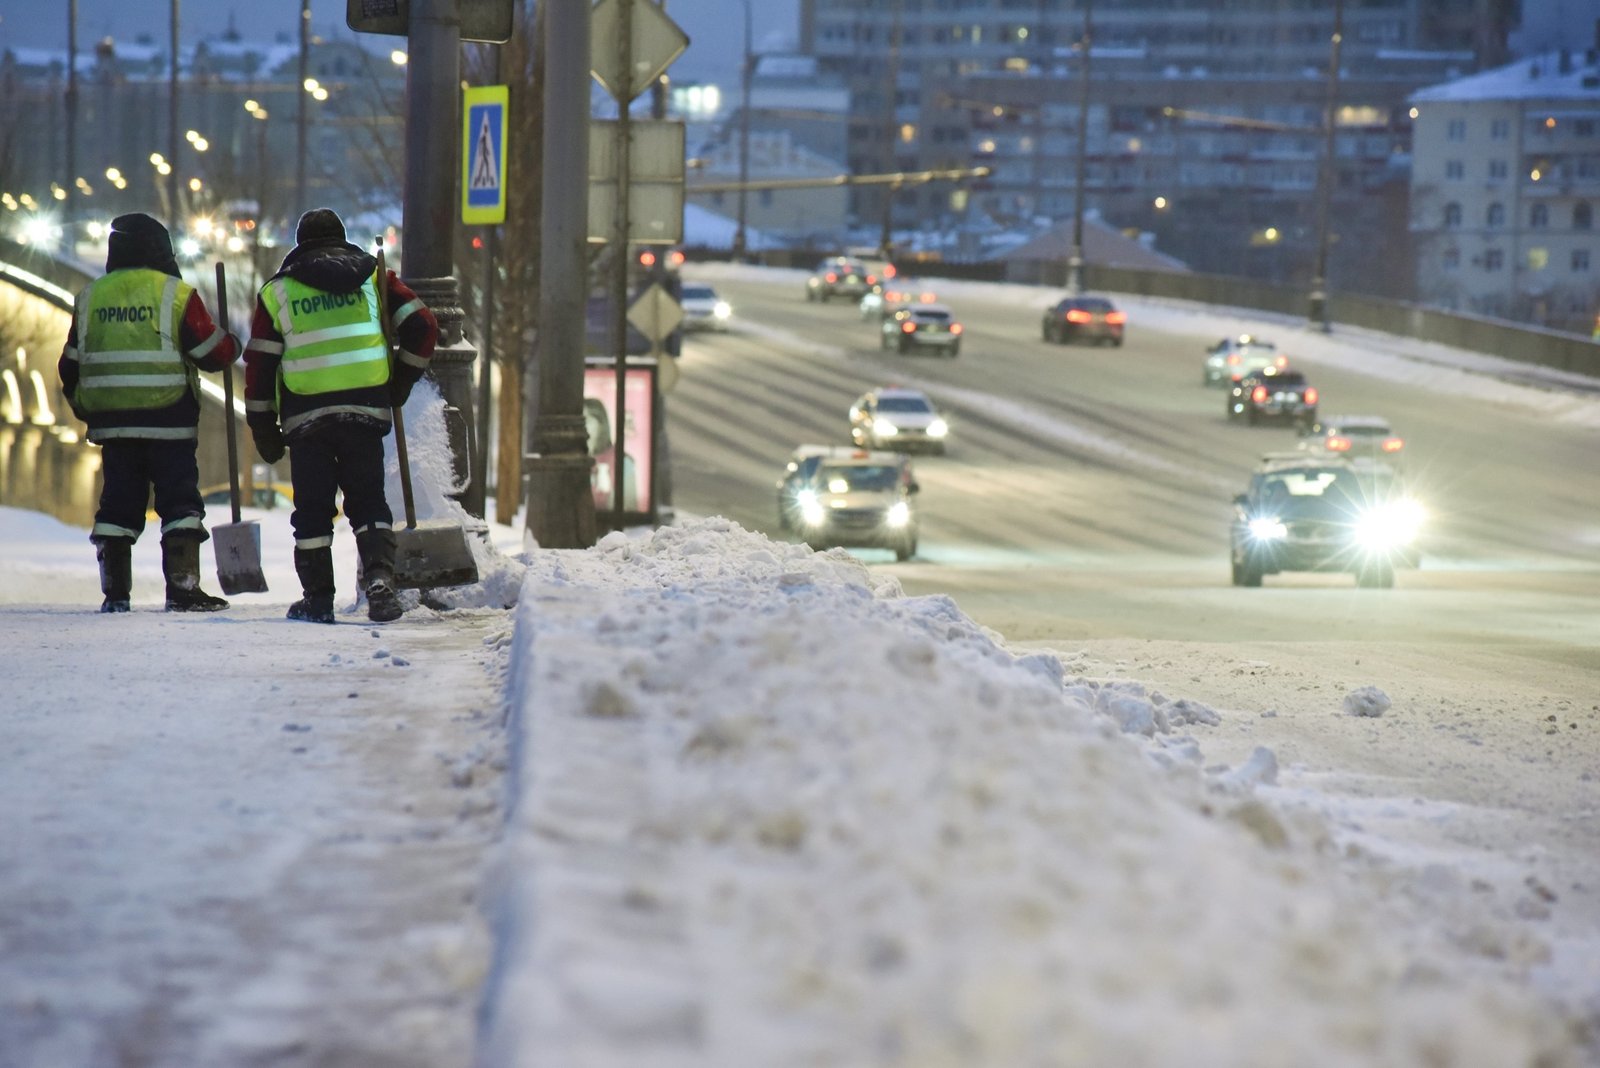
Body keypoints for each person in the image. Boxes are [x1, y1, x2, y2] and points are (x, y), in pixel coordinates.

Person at [243, 208, 438, 624]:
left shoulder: (278, 293)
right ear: (342, 238)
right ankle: (381, 578)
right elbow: (423, 325)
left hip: (306, 417)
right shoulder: (374, 278)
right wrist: (398, 382)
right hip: (365, 411)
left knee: (313, 510)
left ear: (299, 245)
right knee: (369, 501)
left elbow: (260, 365)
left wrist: (263, 425)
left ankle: (318, 599)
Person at [58, 212, 240, 613]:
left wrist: (88, 408)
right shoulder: (174, 293)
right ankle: (183, 589)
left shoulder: (91, 297)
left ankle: (116, 594)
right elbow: (211, 352)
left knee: (118, 505)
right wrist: (232, 346)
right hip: (168, 420)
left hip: (115, 428)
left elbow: (69, 366)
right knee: (179, 503)